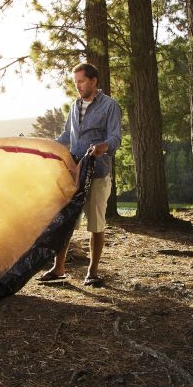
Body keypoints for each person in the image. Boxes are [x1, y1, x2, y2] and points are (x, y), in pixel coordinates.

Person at [39, 63, 122, 287]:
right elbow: (67, 134)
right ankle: (59, 268)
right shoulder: (75, 106)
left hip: (98, 172)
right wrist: (48, 148)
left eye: (81, 81)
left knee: (96, 224)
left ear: (94, 81)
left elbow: (116, 138)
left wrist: (102, 147)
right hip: (74, 173)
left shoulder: (110, 106)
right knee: (66, 221)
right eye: (75, 82)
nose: (78, 86)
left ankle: (92, 273)